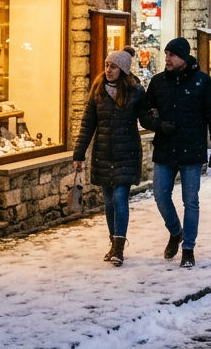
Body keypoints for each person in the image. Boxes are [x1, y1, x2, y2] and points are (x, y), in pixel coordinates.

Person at [140, 37, 211, 269]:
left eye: (172, 55)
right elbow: (144, 114)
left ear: (184, 58)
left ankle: (188, 248)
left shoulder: (202, 82)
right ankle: (175, 231)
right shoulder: (158, 83)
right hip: (165, 148)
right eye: (166, 54)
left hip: (192, 149)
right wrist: (159, 125)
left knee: (191, 201)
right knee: (160, 195)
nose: (167, 58)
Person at [72, 49, 145, 266]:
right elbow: (88, 124)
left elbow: (147, 117)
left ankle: (119, 247)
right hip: (103, 154)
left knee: (120, 198)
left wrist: (162, 123)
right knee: (109, 202)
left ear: (122, 70)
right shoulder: (98, 91)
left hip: (126, 153)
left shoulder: (135, 92)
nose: (108, 70)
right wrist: (79, 153)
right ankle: (113, 242)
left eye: (113, 67)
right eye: (106, 65)